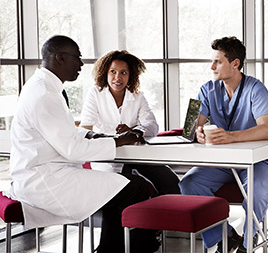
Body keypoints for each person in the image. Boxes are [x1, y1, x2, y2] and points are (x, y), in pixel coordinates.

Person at [5, 35, 159, 252]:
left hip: (47, 171)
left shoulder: (42, 86)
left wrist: (90, 136)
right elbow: (73, 150)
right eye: (77, 57)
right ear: (60, 58)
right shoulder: (45, 94)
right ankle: (134, 247)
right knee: (134, 187)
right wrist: (117, 141)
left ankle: (112, 247)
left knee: (126, 186)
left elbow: (61, 130)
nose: (81, 64)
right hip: (46, 180)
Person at [179, 36, 268, 253]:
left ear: (235, 63)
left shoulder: (256, 89)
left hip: (257, 161)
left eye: (218, 61)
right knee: (189, 183)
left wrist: (232, 137)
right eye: (212, 61)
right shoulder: (207, 89)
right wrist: (198, 134)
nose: (211, 67)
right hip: (222, 162)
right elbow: (189, 129)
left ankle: (247, 243)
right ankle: (225, 235)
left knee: (257, 191)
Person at [80, 50, 180, 196]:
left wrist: (136, 132)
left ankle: (166, 215)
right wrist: (118, 137)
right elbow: (86, 129)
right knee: (124, 189)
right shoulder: (95, 93)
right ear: (105, 73)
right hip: (108, 156)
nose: (117, 77)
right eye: (113, 72)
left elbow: (152, 125)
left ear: (130, 75)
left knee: (169, 180)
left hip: (137, 155)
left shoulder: (137, 96)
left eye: (123, 73)